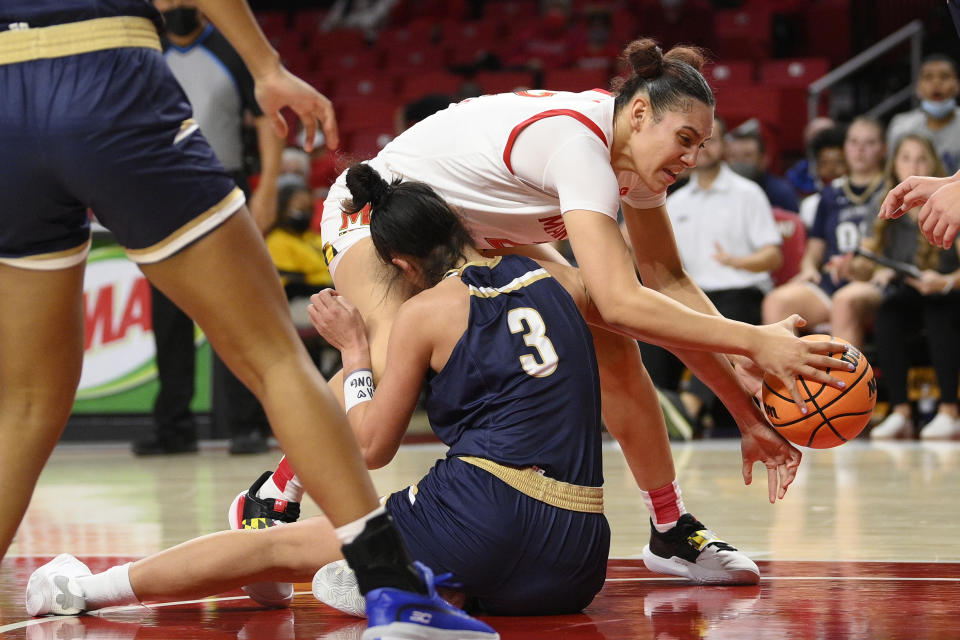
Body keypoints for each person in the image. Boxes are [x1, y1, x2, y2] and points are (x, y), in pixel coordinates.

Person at [0, 2, 494, 637]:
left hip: (6, 91)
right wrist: (266, 65)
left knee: (26, 402)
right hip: (101, 64)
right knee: (272, 357)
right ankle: (393, 590)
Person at [313, 38, 853, 584]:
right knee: (380, 352)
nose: (693, 159)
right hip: (383, 207)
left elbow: (666, 281)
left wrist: (746, 412)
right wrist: (758, 341)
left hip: (478, 223)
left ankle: (670, 529)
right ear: (639, 113)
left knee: (608, 335)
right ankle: (273, 495)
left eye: (702, 145)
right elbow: (625, 299)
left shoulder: (636, 160)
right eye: (685, 140)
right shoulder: (579, 146)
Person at [27, 165, 617, 618]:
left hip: (481, 522)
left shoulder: (426, 313)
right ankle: (408, 583)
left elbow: (369, 448)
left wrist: (356, 355)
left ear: (403, 265)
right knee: (458, 556)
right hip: (576, 562)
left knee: (271, 548)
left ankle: (77, 590)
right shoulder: (556, 282)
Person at [135, 0, 285, 456]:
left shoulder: (231, 48)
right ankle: (174, 427)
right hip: (160, 191)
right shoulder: (146, 52)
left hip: (223, 184)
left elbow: (266, 119)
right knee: (169, 317)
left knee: (237, 310)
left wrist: (267, 189)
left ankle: (247, 424)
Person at [639, 116, 782, 433]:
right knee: (650, 324)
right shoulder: (672, 202)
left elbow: (773, 255)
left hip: (740, 291)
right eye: (693, 142)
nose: (702, 149)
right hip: (691, 295)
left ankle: (688, 409)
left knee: (725, 317)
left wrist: (738, 262)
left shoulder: (748, 194)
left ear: (726, 147)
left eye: (711, 141)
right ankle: (658, 411)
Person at [863, 135, 960, 441]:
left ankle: (949, 410)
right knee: (889, 311)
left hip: (947, 290)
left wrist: (944, 281)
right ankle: (900, 410)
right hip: (909, 291)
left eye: (921, 158)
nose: (914, 165)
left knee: (939, 309)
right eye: (906, 158)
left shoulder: (951, 205)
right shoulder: (888, 210)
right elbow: (869, 259)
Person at [763, 117, 888, 349]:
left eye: (869, 143)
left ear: (883, 149)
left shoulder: (891, 189)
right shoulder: (830, 193)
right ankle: (787, 382)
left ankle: (846, 384)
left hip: (873, 281)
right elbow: (815, 248)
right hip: (833, 280)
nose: (859, 150)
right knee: (776, 302)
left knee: (844, 302)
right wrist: (809, 268)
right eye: (853, 142)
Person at [886, 54, 960, 174]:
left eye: (945, 77)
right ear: (918, 87)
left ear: (957, 86)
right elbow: (891, 173)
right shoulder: (900, 126)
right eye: (928, 77)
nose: (936, 83)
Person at [725, 127, 801, 212]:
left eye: (747, 156)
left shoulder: (781, 193)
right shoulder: (719, 190)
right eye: (733, 156)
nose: (739, 162)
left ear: (763, 159)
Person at [798, 125, 849, 229]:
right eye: (824, 163)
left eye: (839, 162)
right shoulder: (809, 205)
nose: (831, 170)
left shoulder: (861, 200)